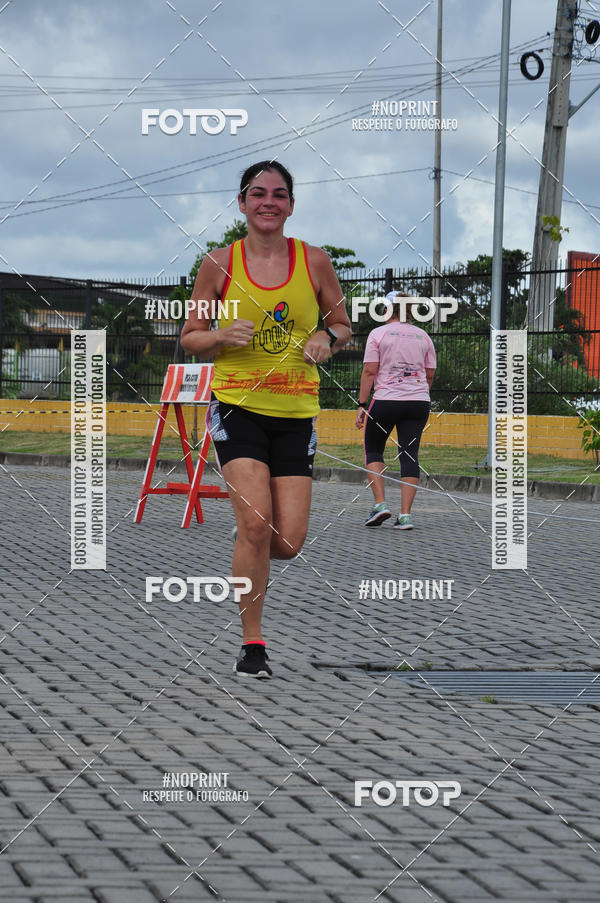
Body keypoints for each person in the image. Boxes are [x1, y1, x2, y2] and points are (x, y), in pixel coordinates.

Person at [180, 160, 351, 678]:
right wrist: (218, 336)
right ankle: (253, 644)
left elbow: (344, 324)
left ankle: (247, 552)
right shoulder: (218, 263)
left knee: (287, 542)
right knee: (254, 524)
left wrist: (329, 337)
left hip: (296, 413)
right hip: (236, 406)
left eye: (279, 194)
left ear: (291, 205)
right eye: (258, 193)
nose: (268, 201)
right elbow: (190, 337)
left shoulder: (315, 261)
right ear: (242, 203)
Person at [355, 291, 436, 530]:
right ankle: (406, 516)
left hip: (385, 400)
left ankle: (381, 504)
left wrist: (361, 404)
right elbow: (429, 373)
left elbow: (370, 371)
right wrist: (418, 392)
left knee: (373, 449)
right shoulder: (423, 336)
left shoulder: (378, 334)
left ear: (387, 310)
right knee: (409, 454)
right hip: (418, 401)